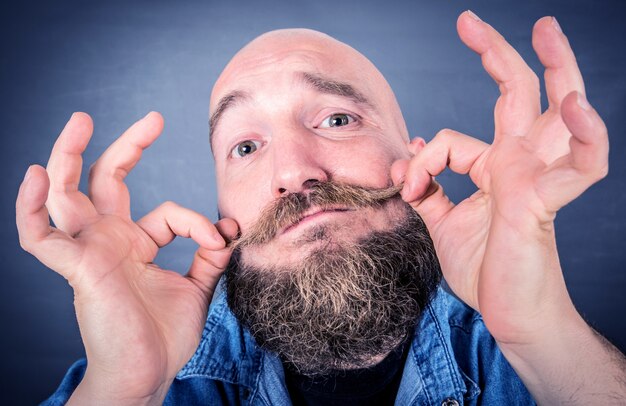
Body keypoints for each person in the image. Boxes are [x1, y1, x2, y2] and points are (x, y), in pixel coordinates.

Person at [16, 11, 626, 405]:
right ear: (221, 208)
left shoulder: (525, 353)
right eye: (246, 146)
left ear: (417, 158)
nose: (291, 171)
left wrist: (543, 332)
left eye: (337, 118)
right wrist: (123, 390)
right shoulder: (147, 371)